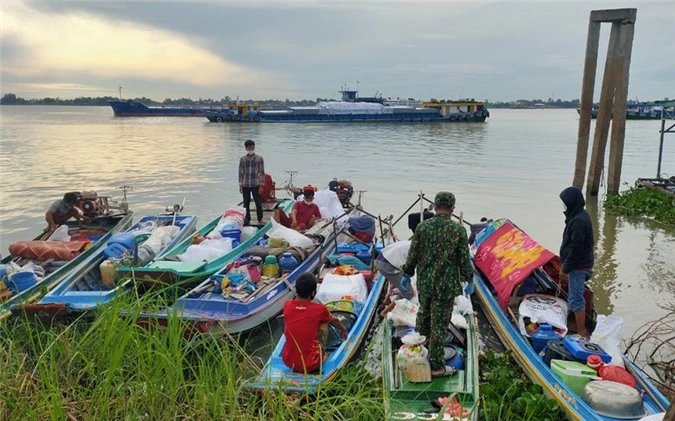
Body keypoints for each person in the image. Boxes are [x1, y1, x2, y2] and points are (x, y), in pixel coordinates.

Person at [402, 192, 473, 377]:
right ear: (452, 209)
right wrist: (469, 279)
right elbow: (464, 261)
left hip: (425, 283)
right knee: (439, 326)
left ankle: (420, 356)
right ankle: (436, 367)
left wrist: (407, 274)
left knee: (424, 317)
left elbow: (413, 254)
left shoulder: (422, 227)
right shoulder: (458, 230)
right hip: (446, 286)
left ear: (434, 205)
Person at [281, 272, 348, 373]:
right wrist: (343, 330)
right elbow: (334, 320)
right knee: (324, 321)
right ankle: (323, 354)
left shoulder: (287, 305)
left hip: (288, 362)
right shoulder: (320, 309)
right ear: (312, 293)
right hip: (311, 364)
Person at [559, 186, 594, 340]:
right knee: (574, 296)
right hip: (581, 264)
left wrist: (565, 268)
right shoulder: (581, 215)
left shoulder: (578, 221)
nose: (564, 207)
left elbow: (576, 248)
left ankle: (581, 334)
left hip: (578, 266)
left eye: (566, 203)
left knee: (575, 299)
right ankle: (575, 325)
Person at [377, 240, 415, 317]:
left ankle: (386, 300)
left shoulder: (413, 243)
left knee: (396, 279)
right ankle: (385, 312)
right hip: (387, 265)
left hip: (383, 258)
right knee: (409, 293)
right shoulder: (420, 250)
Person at [238, 139, 265, 225]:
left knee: (258, 201)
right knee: (246, 202)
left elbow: (262, 172)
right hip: (245, 183)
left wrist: (261, 185)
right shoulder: (242, 159)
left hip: (256, 183)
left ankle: (260, 218)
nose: (251, 148)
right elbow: (241, 172)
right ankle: (247, 219)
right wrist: (240, 184)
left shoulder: (259, 159)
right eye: (249, 147)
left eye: (252, 147)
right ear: (246, 148)